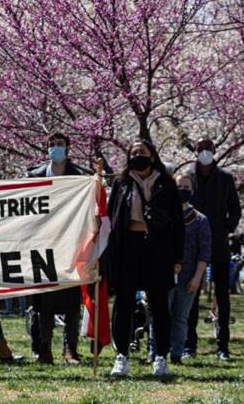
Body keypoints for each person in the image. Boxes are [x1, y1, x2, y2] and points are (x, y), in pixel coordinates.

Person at [104, 139, 184, 377]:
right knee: (124, 304)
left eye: (143, 152)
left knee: (160, 306)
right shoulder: (121, 183)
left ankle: (161, 357)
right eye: (134, 153)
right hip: (128, 247)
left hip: (158, 249)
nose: (138, 156)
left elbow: (178, 224)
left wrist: (177, 257)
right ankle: (121, 357)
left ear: (152, 155)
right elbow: (111, 217)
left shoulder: (166, 184)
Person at [25, 132, 86, 364]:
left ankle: (70, 349)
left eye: (60, 144)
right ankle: (44, 348)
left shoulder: (79, 177)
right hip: (41, 243)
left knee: (71, 301)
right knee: (44, 300)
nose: (55, 148)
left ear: (68, 147)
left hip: (70, 244)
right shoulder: (33, 176)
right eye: (51, 144)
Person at [185, 137, 241, 361]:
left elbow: (235, 209)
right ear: (195, 151)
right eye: (201, 148)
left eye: (208, 148)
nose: (205, 152)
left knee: (223, 297)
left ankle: (223, 346)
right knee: (191, 294)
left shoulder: (225, 179)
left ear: (215, 151)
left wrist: (225, 228)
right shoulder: (188, 177)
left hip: (218, 244)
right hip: (192, 244)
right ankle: (190, 345)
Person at [149, 174, 211, 364]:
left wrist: (197, 277)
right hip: (163, 276)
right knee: (159, 315)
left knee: (180, 317)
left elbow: (204, 253)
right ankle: (156, 353)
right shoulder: (163, 215)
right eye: (179, 186)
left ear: (192, 191)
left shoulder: (201, 220)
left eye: (186, 187)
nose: (182, 190)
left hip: (188, 278)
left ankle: (176, 354)